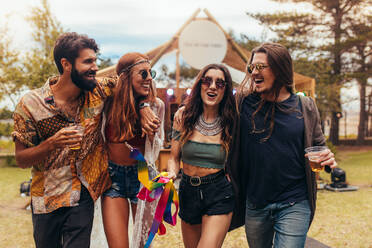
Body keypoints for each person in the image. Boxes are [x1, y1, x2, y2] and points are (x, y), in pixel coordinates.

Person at [12, 32, 159, 248]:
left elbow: (133, 84)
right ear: (66, 64)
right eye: (88, 61)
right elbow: (21, 159)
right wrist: (52, 143)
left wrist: (143, 107)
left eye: (95, 60)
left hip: (83, 197)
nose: (95, 67)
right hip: (47, 200)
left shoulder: (98, 90)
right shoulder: (30, 104)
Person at [227, 42, 337, 248]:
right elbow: (205, 103)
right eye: (252, 67)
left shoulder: (305, 106)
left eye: (261, 67)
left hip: (295, 202)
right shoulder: (242, 103)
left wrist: (327, 158)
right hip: (256, 203)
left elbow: (319, 146)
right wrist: (145, 106)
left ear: (279, 69)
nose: (254, 72)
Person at [167, 64, 237, 248]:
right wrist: (171, 175)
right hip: (188, 191)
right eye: (207, 80)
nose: (212, 86)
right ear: (200, 85)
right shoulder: (183, 116)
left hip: (218, 192)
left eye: (220, 83)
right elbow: (174, 158)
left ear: (225, 90)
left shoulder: (232, 122)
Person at [101, 52, 164, 248]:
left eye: (151, 73)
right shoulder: (108, 103)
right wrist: (139, 104)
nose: (149, 79)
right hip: (113, 178)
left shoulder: (156, 105)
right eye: (143, 74)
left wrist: (152, 132)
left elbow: (155, 150)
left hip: (142, 177)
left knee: (143, 245)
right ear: (126, 77)